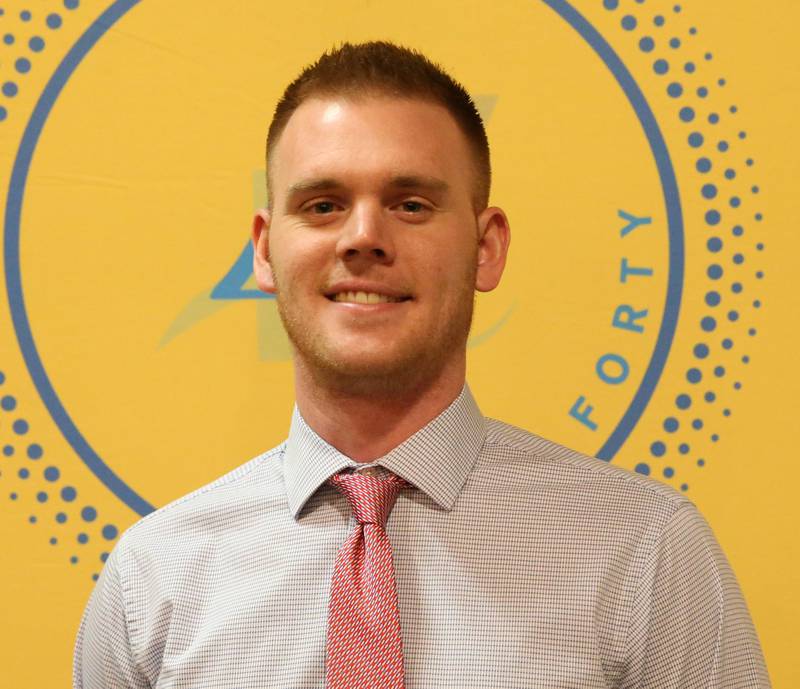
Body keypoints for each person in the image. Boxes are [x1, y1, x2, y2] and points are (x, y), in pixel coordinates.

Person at [73, 41, 770, 688]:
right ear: (263, 249)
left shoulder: (645, 553)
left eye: (410, 204)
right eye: (323, 205)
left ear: (486, 245)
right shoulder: (152, 580)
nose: (364, 237)